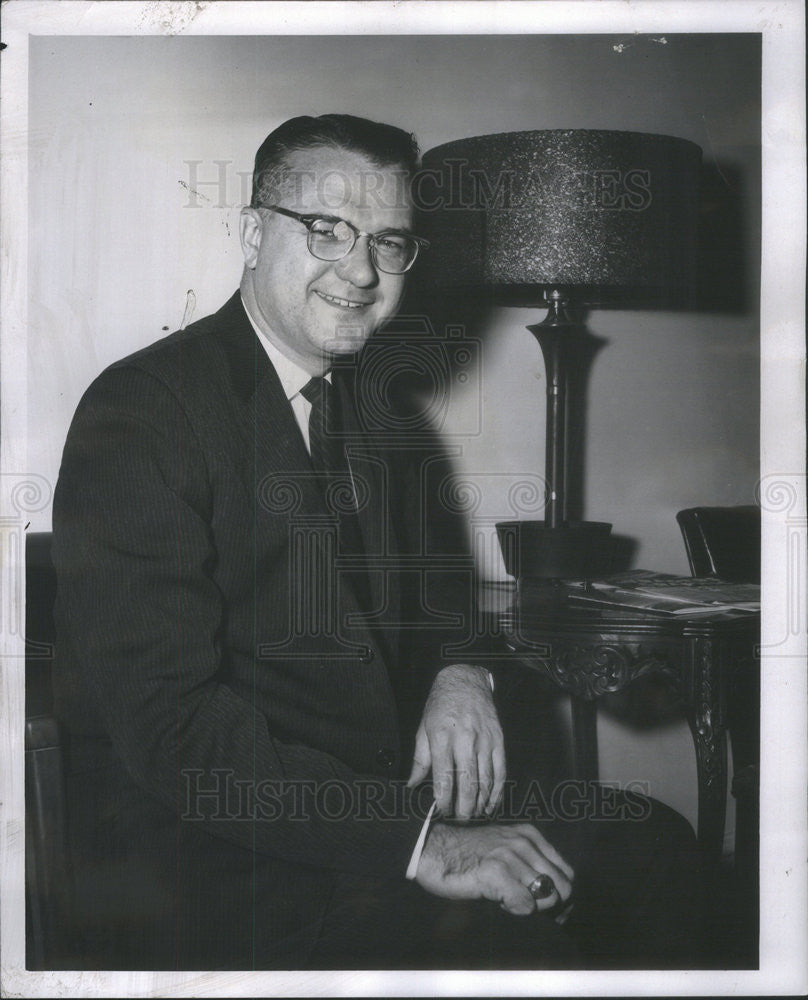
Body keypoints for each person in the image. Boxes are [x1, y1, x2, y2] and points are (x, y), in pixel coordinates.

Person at [52, 113, 700, 971]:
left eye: (390, 243)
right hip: (213, 845)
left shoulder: (378, 409)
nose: (360, 271)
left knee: (649, 843)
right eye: (327, 231)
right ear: (252, 233)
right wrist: (421, 843)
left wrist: (461, 667)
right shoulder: (142, 411)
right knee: (508, 935)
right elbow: (170, 728)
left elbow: (439, 594)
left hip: (379, 792)